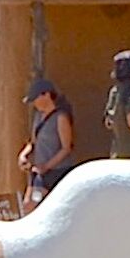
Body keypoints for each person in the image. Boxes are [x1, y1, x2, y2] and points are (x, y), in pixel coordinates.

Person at [19, 75, 79, 210]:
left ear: (46, 95)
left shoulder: (61, 117)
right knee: (28, 205)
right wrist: (23, 155)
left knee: (43, 206)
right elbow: (33, 142)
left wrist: (47, 166)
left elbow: (66, 148)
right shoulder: (38, 116)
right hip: (40, 173)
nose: (34, 103)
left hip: (57, 172)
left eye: (36, 99)